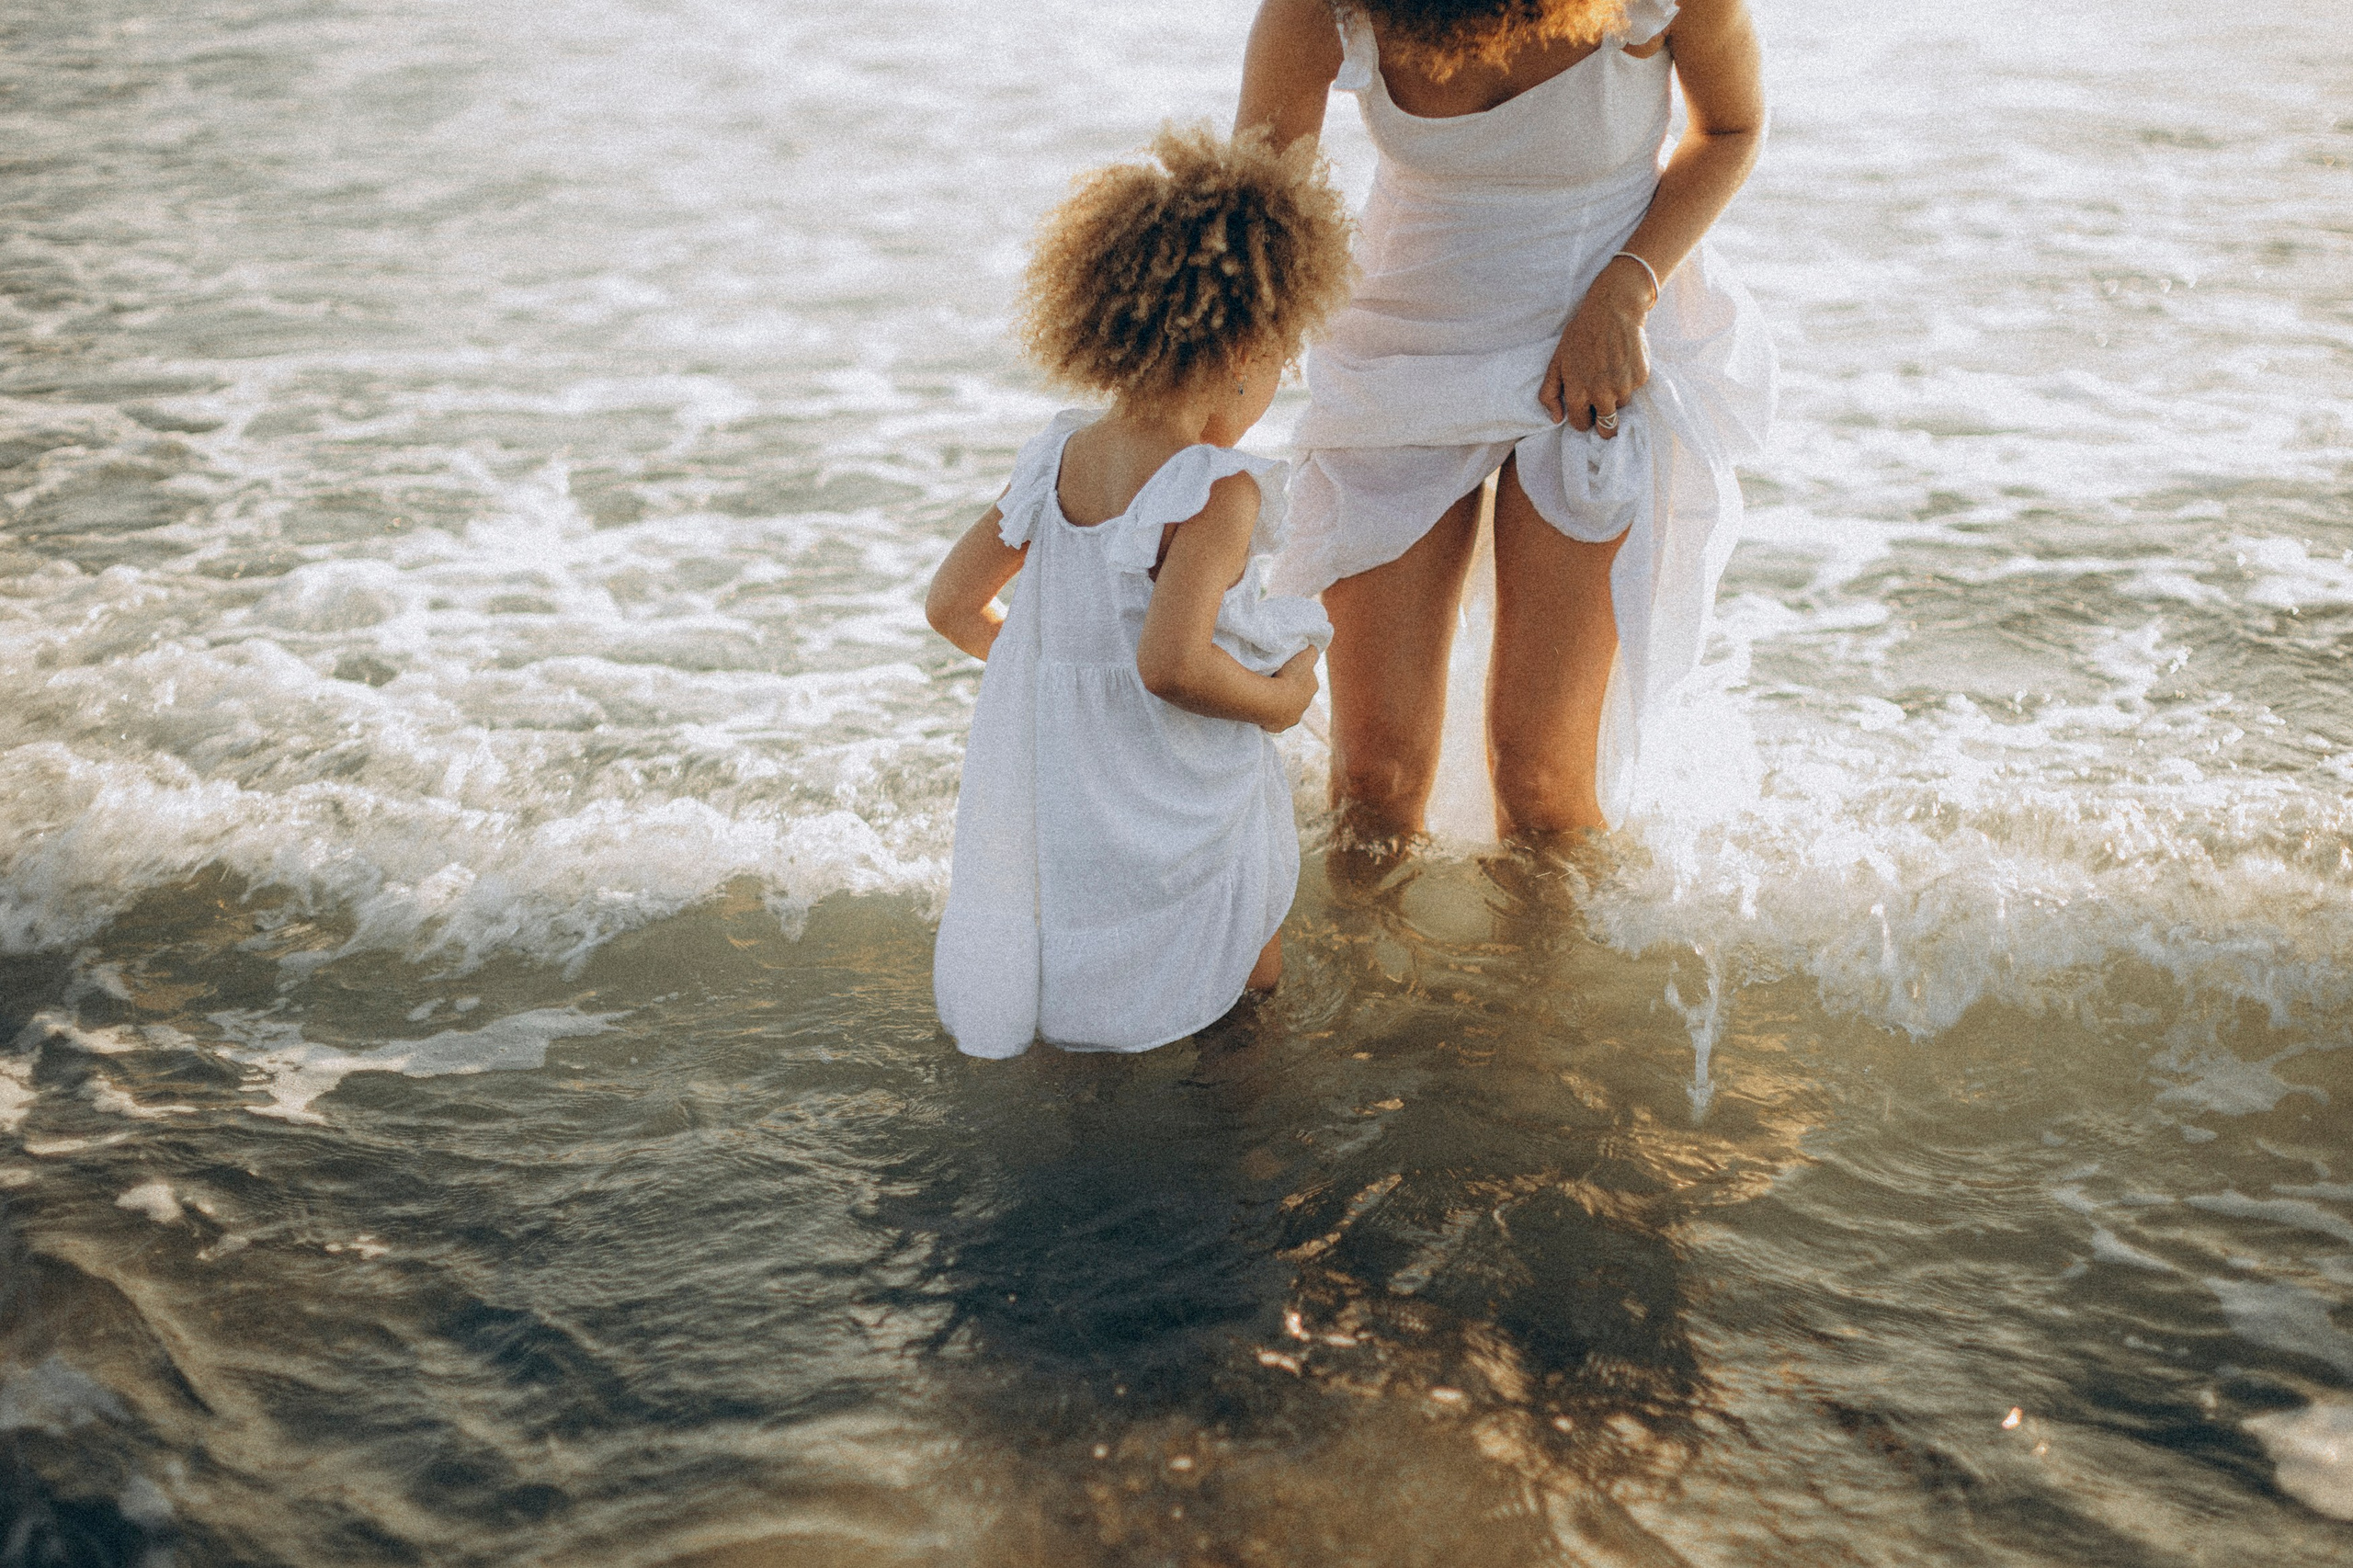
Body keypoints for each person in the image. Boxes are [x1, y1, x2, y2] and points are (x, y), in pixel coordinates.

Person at [1238, 0, 1777, 844]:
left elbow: (1733, 128)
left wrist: (1628, 288)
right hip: (1400, 357)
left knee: (1542, 783)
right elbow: (1258, 219)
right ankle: (1371, 980)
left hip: (1596, 347)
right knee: (1372, 784)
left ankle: (1545, 976)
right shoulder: (1323, 8)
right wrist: (1168, 436)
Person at [926, 126, 1356, 1059]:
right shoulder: (1215, 488)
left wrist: (1059, 675)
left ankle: (1085, 1115)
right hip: (1174, 781)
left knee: (1082, 951)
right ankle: (1235, 1133)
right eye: (1280, 365)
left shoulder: (1058, 457)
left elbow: (953, 605)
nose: (1275, 387)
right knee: (1247, 962)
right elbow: (1171, 664)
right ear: (1238, 347)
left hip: (1070, 779)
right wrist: (1282, 701)